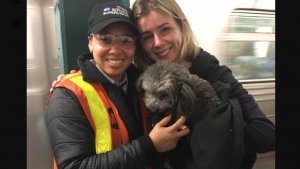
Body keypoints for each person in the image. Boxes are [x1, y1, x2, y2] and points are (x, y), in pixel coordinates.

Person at [52, 0, 275, 168]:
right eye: (147, 36)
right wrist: (78, 79)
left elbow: (267, 134)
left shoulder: (214, 73)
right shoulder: (142, 77)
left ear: (181, 27)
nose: (158, 43)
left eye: (165, 29)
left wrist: (198, 135)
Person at [45, 1, 190, 169]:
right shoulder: (68, 96)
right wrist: (149, 145)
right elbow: (72, 166)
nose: (115, 50)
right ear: (90, 42)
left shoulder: (145, 86)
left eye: (125, 40)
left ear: (135, 46)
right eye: (105, 39)